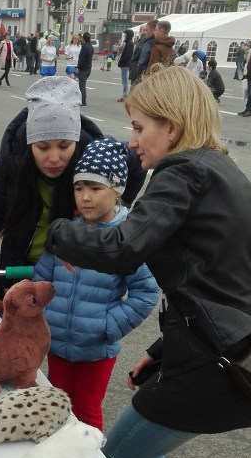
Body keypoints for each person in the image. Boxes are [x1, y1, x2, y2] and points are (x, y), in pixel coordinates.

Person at [45, 64, 251, 458]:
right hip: (227, 355)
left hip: (210, 366)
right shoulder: (224, 171)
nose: (134, 141)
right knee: (141, 446)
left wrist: (58, 232)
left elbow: (124, 246)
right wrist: (165, 350)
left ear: (173, 128)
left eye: (140, 127)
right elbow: (230, 284)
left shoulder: (182, 172)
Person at [0, 76, 146, 297]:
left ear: (75, 140)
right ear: (30, 142)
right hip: (16, 267)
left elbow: (136, 162)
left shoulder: (94, 156)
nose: (54, 158)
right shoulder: (12, 158)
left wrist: (118, 206)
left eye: (64, 145)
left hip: (68, 276)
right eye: (43, 147)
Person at [33, 139, 158, 430]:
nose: (85, 197)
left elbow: (145, 293)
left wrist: (107, 326)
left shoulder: (127, 240)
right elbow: (42, 279)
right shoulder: (66, 232)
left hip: (96, 351)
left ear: (117, 191)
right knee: (56, 406)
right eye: (79, 188)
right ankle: (58, 455)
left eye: (95, 188)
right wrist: (45, 317)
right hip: (57, 343)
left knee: (87, 412)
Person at [117, 29, 134, 101]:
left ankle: (125, 95)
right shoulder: (127, 42)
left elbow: (127, 55)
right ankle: (124, 94)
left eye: (125, 34)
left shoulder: (129, 43)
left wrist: (122, 60)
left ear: (128, 35)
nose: (124, 35)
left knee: (124, 80)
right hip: (124, 63)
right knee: (124, 80)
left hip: (125, 64)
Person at [77, 32, 94, 105]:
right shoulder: (91, 47)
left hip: (83, 69)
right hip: (88, 68)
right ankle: (82, 100)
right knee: (82, 84)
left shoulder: (85, 47)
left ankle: (83, 101)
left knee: (82, 86)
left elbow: (81, 59)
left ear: (84, 39)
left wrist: (78, 68)